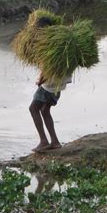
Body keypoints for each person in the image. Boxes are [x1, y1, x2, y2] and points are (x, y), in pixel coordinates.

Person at [29, 16, 71, 152]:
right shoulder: (60, 39)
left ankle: (43, 141)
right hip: (60, 82)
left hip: (50, 82)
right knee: (45, 110)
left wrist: (41, 80)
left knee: (33, 109)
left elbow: (48, 64)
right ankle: (55, 142)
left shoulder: (48, 42)